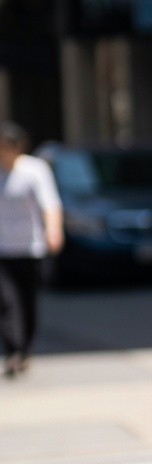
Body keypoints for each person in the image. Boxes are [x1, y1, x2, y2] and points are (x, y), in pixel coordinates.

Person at [0, 121, 64, 377]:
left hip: (31, 247)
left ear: (19, 148)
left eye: (6, 147)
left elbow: (50, 203)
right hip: (3, 249)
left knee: (27, 301)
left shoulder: (34, 170)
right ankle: (13, 351)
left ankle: (25, 349)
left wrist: (54, 230)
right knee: (6, 301)